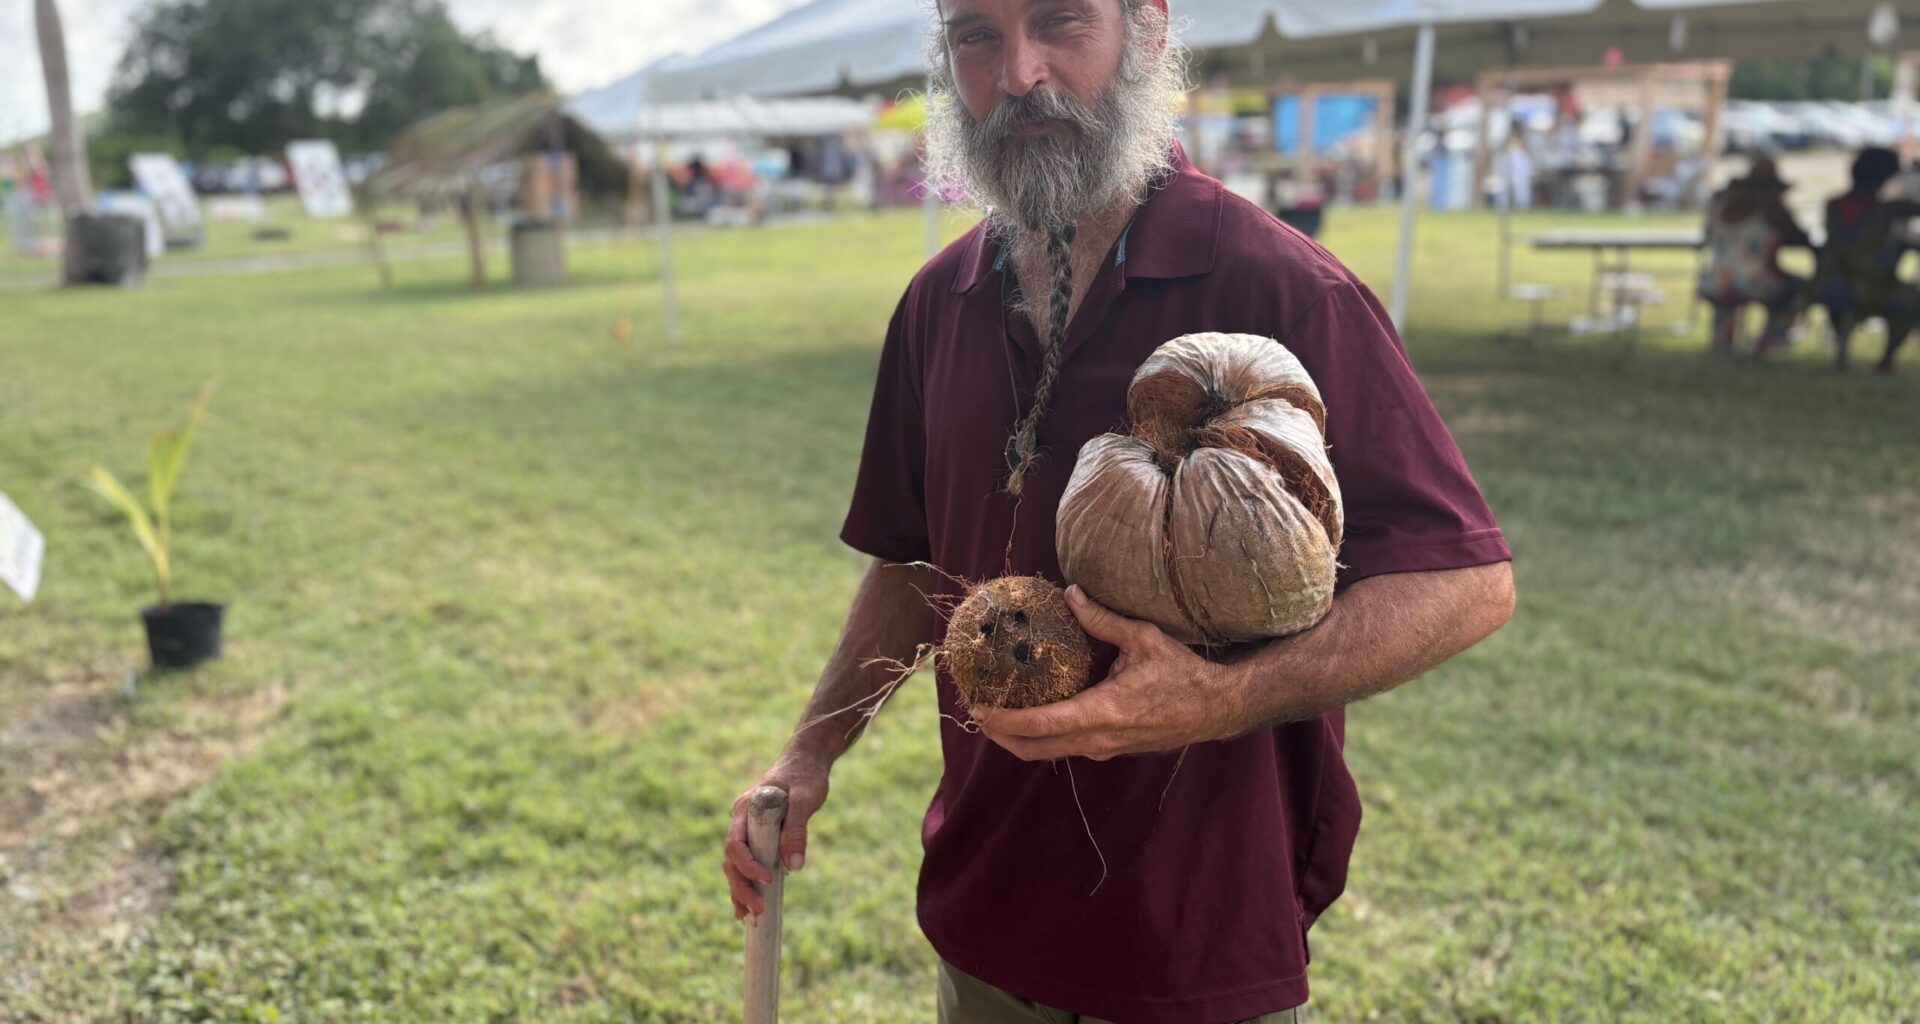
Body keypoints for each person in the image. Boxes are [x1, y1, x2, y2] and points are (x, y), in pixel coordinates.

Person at [720, 2, 1516, 1021]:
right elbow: (913, 561)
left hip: (1195, 939)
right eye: (975, 35)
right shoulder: (937, 303)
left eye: (1060, 19)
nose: (1018, 72)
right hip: (985, 913)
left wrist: (1222, 698)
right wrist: (810, 751)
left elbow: (1466, 583)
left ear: (1147, 28)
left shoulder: (1281, 287)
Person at [1813, 147, 1920, 372]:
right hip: (1875, 285)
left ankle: (1844, 348)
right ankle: (1886, 359)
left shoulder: (1834, 205)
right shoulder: (1887, 209)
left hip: (1834, 280)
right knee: (1910, 302)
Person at [1696, 156, 1812, 356]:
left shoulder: (1720, 203)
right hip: (1756, 282)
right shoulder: (1770, 208)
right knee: (1799, 287)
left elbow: (1707, 236)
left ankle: (1723, 342)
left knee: (1729, 293)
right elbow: (1799, 237)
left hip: (1715, 280)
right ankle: (1774, 337)